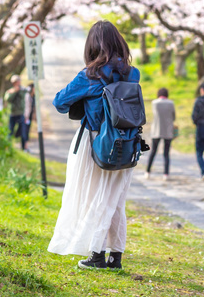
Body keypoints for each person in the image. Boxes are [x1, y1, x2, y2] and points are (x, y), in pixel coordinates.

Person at [48, 21, 140, 271]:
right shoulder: (133, 73)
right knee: (115, 200)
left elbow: (60, 101)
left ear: (93, 45)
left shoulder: (90, 75)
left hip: (97, 144)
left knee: (97, 197)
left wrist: (83, 102)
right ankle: (115, 257)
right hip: (128, 143)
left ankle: (97, 255)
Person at [145, 88, 176, 179]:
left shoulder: (154, 103)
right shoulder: (171, 103)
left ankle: (148, 171)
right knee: (166, 153)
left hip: (156, 130)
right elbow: (173, 117)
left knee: (153, 151)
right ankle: (166, 174)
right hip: (167, 130)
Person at [4, 76, 25, 144]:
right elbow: (8, 99)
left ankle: (22, 145)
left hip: (20, 113)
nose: (18, 83)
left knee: (22, 131)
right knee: (10, 130)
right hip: (12, 113)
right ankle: (8, 144)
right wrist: (14, 92)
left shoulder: (22, 90)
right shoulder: (10, 91)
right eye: (16, 82)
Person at [20, 84, 36, 152]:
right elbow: (27, 107)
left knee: (27, 131)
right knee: (24, 131)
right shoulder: (27, 96)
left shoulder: (33, 97)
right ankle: (24, 147)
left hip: (29, 116)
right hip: (25, 116)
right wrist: (26, 117)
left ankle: (25, 147)